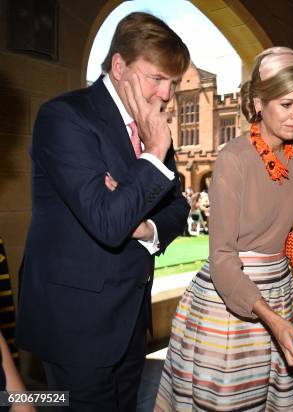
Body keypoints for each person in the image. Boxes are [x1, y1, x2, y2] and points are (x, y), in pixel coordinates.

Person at [16, 12, 190, 410]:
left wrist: (146, 227)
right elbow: (109, 223)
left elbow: (178, 206)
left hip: (130, 318)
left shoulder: (151, 125)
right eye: (156, 78)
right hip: (76, 322)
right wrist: (152, 157)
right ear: (118, 66)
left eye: (173, 83)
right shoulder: (65, 117)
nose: (166, 95)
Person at [156, 47, 293, 411]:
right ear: (258, 103)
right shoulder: (233, 158)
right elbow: (221, 257)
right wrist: (273, 322)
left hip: (281, 290)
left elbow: (275, 234)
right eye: (286, 104)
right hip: (230, 303)